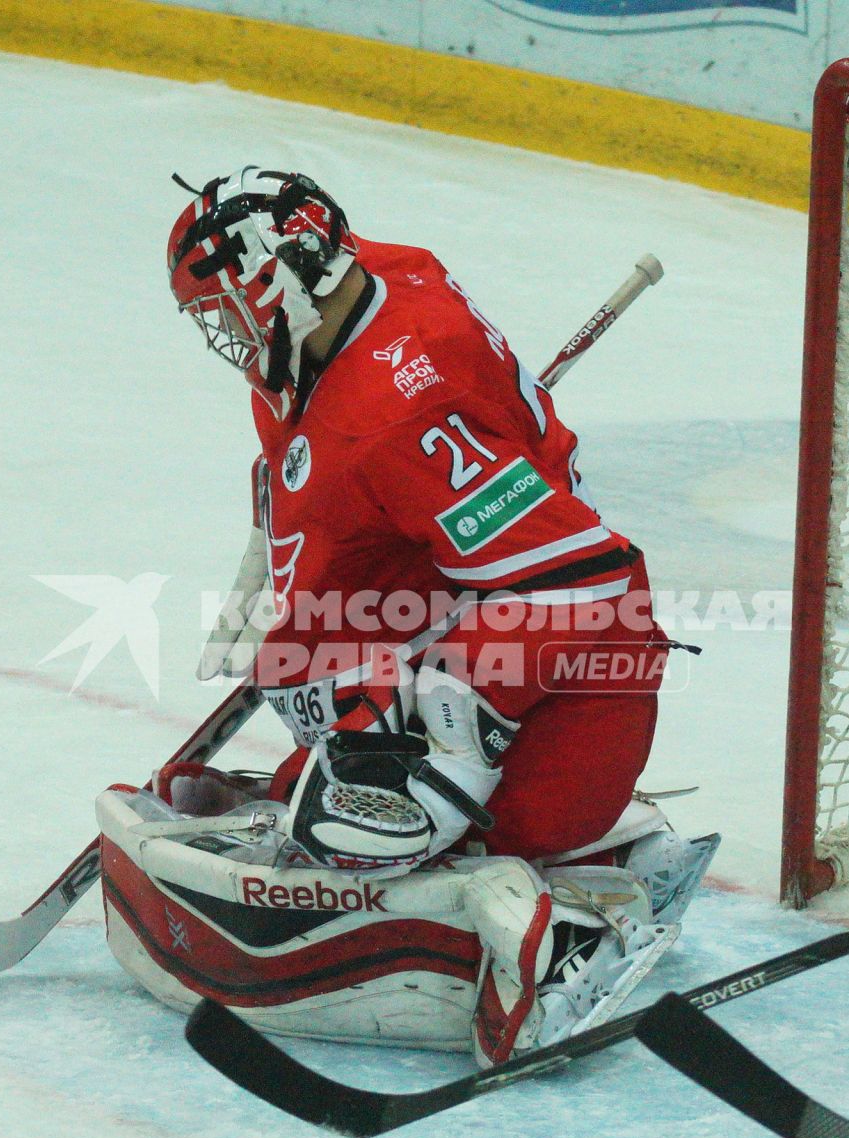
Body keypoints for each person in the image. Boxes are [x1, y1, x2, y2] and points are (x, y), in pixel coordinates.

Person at [133, 166, 715, 1064]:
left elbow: (595, 586)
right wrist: (280, 535)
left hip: (571, 698)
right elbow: (335, 451)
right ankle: (570, 841)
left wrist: (449, 735)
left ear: (277, 285)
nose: (224, 337)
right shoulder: (370, 283)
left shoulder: (399, 417)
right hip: (472, 595)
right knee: (312, 709)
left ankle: (564, 918)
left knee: (347, 828)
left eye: (224, 311)